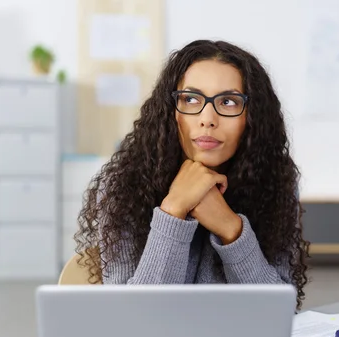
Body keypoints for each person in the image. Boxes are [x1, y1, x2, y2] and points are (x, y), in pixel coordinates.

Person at [75, 39, 309, 309]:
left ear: (252, 116)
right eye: (190, 99)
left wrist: (231, 228)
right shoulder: (123, 184)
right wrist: (174, 209)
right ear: (171, 111)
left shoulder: (275, 181)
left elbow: (278, 310)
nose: (207, 118)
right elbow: (133, 316)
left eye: (229, 101)